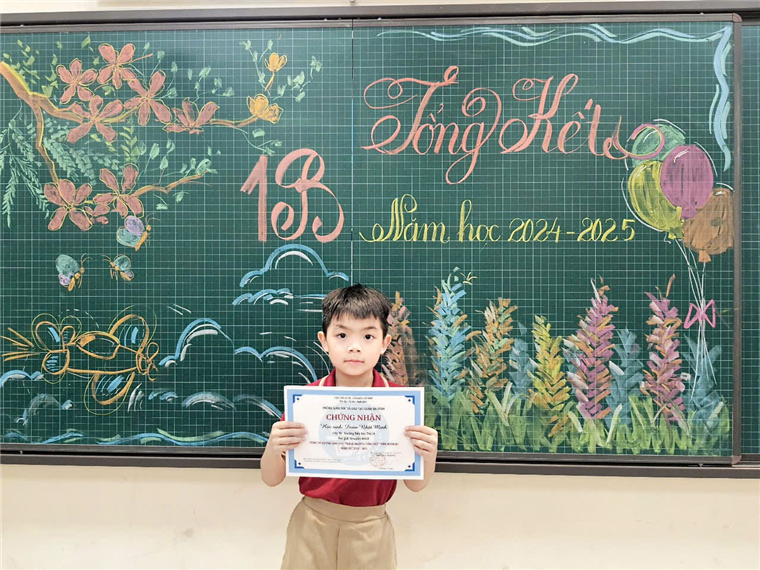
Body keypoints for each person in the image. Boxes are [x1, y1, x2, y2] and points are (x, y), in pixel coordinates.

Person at [260, 283, 439, 570]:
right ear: (324, 340)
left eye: (368, 336)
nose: (355, 346)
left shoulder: (400, 404)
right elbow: (271, 478)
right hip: (311, 524)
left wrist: (428, 454)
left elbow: (416, 485)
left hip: (371, 528)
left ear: (384, 342)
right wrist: (273, 447)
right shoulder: (306, 401)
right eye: (342, 335)